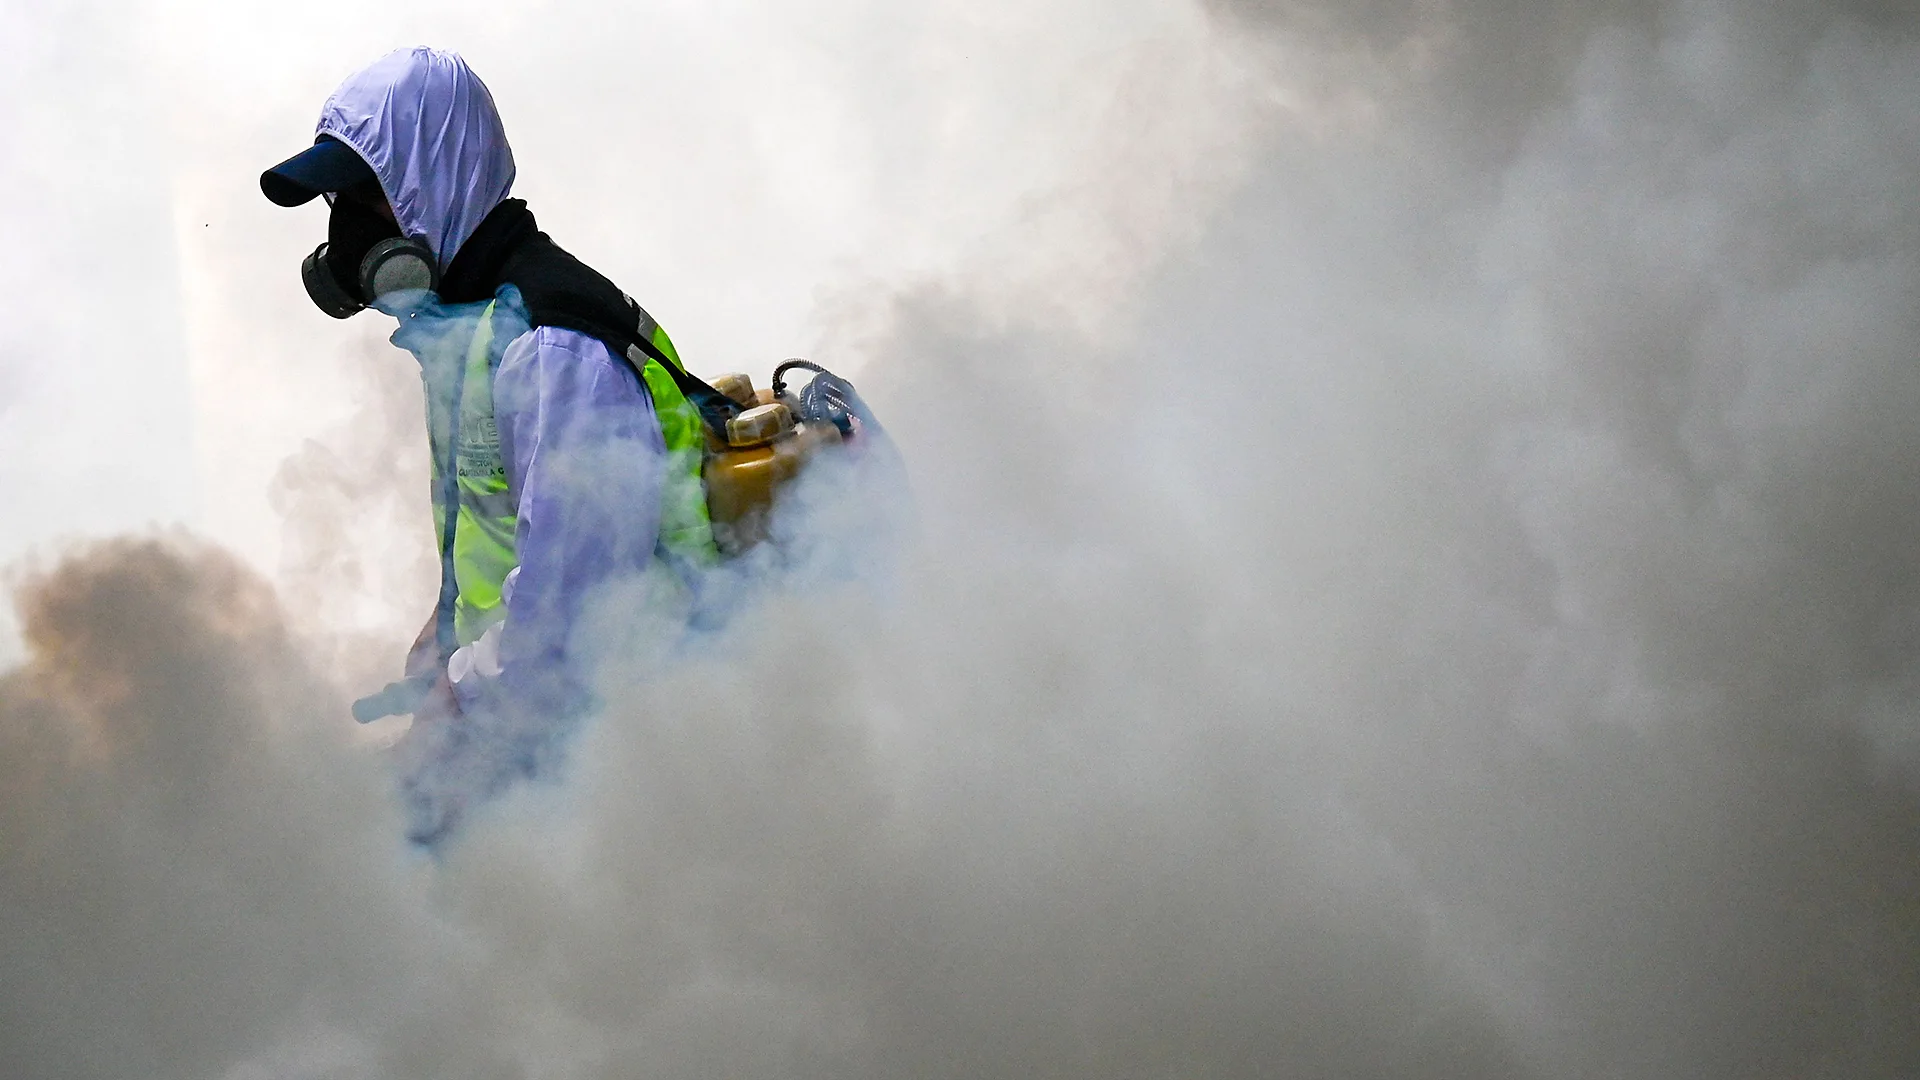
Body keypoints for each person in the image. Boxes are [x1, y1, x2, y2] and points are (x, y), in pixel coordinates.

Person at [260, 47, 727, 845]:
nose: (345, 233)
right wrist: (441, 641)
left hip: (641, 750)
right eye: (339, 203)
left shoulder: (553, 345)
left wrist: (456, 708)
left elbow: (574, 622)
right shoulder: (472, 331)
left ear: (431, 182)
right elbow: (501, 537)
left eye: (366, 199)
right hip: (545, 732)